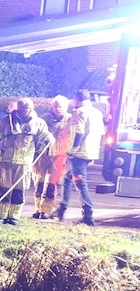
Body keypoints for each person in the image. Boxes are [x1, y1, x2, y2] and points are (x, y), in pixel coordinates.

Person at [0, 97, 54, 225]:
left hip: (24, 162)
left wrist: (50, 139)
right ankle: (1, 216)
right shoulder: (6, 121)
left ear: (31, 109)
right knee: (4, 189)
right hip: (6, 160)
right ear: (18, 108)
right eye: (22, 108)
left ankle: (14, 217)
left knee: (19, 190)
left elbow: (45, 135)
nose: (25, 110)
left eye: (27, 108)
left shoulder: (38, 123)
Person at [58, 89, 105, 226]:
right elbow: (101, 134)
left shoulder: (78, 113)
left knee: (79, 182)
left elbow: (78, 133)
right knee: (66, 179)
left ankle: (88, 214)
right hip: (89, 152)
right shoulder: (97, 113)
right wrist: (94, 154)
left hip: (78, 153)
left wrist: (71, 151)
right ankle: (62, 208)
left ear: (76, 99)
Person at [33, 95, 72, 219]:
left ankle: (46, 210)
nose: (57, 109)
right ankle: (38, 208)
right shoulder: (45, 119)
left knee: (51, 184)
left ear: (66, 107)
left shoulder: (70, 120)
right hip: (43, 155)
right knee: (39, 183)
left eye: (60, 106)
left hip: (59, 156)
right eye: (55, 106)